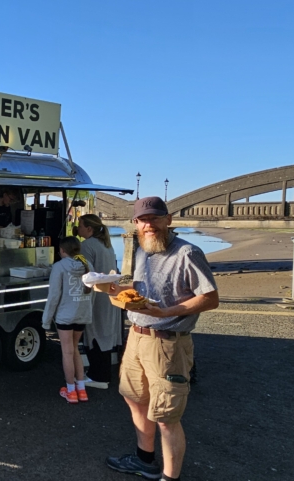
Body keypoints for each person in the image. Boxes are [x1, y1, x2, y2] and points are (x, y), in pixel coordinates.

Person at [105, 197, 219, 481]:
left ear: (168, 220)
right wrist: (117, 288)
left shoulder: (188, 253)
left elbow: (210, 298)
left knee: (167, 416)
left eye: (155, 218)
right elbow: (142, 287)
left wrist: (166, 311)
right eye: (143, 220)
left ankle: (170, 477)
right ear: (135, 224)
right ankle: (145, 460)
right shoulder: (145, 250)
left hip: (169, 343)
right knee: (135, 399)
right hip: (137, 335)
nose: (149, 225)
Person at [41, 237, 93, 404]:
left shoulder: (59, 267)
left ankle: (70, 391)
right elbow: (94, 292)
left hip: (65, 315)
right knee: (76, 349)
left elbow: (54, 296)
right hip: (82, 313)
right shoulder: (88, 266)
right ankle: (82, 389)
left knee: (67, 351)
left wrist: (46, 320)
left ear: (62, 251)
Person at [78, 214, 122, 389]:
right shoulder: (107, 244)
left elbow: (87, 273)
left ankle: (99, 376)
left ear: (89, 229)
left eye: (80, 225)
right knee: (105, 333)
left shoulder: (87, 245)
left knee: (94, 333)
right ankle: (101, 374)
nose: (78, 228)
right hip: (110, 294)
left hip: (96, 296)